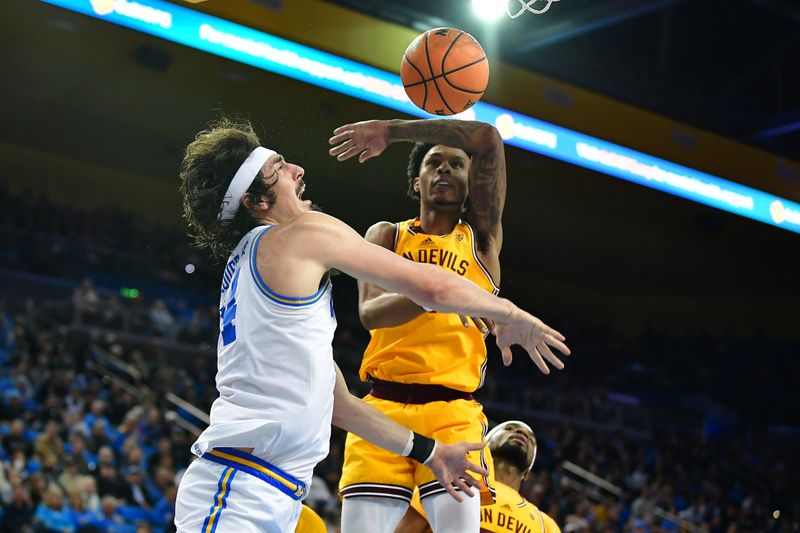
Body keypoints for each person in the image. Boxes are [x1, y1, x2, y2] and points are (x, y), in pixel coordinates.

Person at [174, 119, 569, 532]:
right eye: (281, 168)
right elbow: (431, 287)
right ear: (257, 200)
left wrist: (431, 453)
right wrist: (508, 312)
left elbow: (341, 405)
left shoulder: (263, 270)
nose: (298, 171)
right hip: (239, 487)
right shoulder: (300, 234)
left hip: (268, 489)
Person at [329, 118, 549, 532]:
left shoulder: (482, 241)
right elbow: (371, 313)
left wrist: (391, 131)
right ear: (417, 182)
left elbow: (486, 138)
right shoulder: (386, 236)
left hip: (453, 413)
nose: (445, 169)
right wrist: (440, 293)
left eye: (456, 164)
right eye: (433, 163)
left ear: (471, 188)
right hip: (382, 407)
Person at [394, 421, 561, 533]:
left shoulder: (546, 526)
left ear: (527, 474)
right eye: (509, 429)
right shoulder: (444, 484)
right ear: (483, 445)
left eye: (531, 440)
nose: (520, 433)